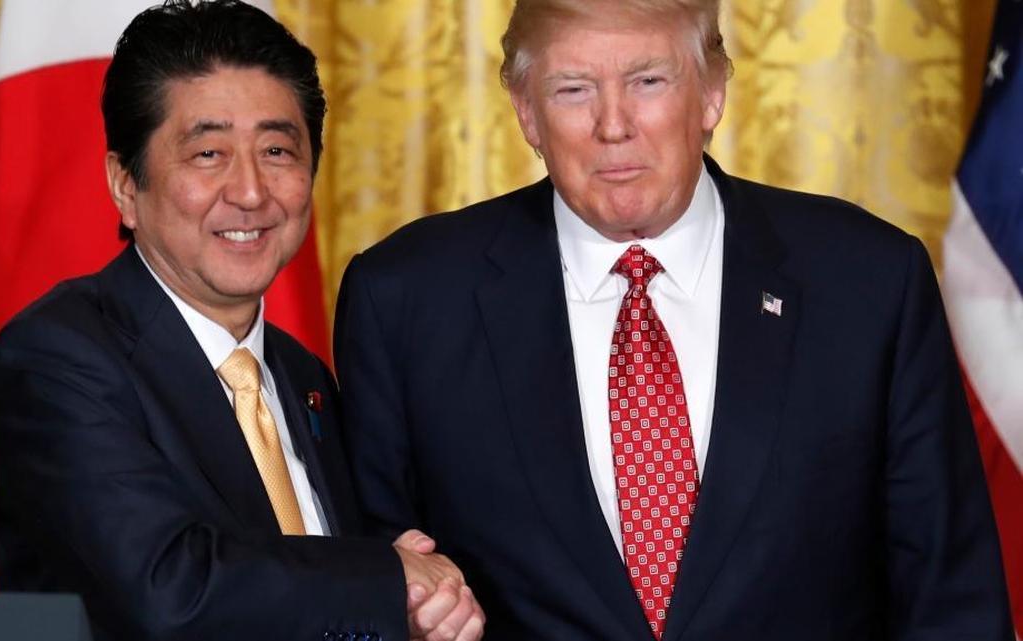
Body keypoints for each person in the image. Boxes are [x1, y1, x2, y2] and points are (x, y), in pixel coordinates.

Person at [333, 0, 1014, 639]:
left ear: (712, 91)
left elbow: (952, 600)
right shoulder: (404, 298)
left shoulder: (868, 281)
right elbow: (376, 588)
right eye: (573, 88)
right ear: (526, 111)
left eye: (648, 80)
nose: (613, 123)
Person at [0, 2, 484, 640]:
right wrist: (382, 578)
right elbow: (166, 590)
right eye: (208, 154)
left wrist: (408, 599)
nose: (250, 191)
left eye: (277, 150)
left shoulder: (301, 374)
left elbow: (309, 584)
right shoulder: (60, 355)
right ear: (124, 185)